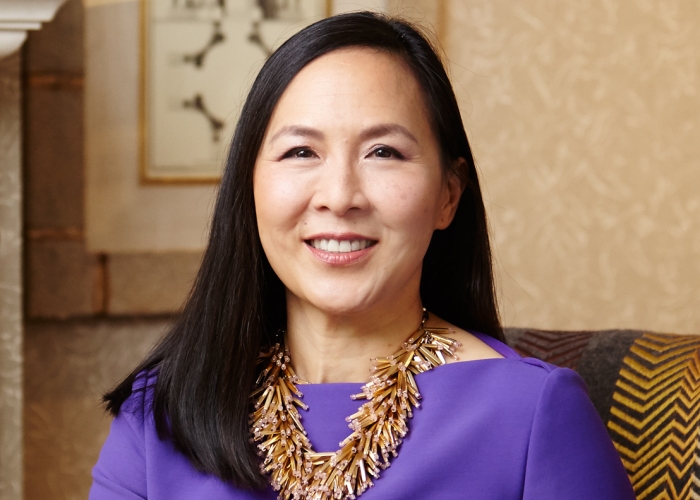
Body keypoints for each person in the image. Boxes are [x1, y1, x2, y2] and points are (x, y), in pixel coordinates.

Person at [90, 11, 635, 500]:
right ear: (248, 187)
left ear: (448, 195)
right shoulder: (158, 415)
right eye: (301, 151)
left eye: (383, 152)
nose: (339, 196)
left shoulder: (533, 413)